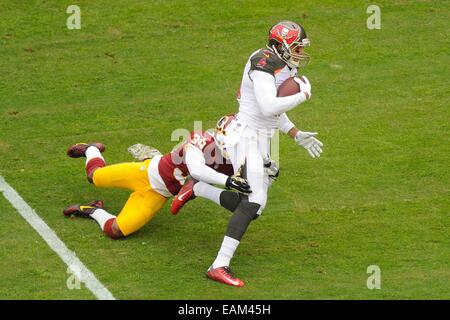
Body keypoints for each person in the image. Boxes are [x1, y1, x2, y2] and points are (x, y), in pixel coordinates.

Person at [172, 21, 324, 287]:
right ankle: (218, 265)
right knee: (254, 199)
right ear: (281, 45)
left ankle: (197, 189)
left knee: (254, 209)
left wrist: (295, 134)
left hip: (261, 139)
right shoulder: (263, 63)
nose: (299, 50)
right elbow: (267, 107)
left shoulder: (282, 63)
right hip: (245, 136)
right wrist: (302, 95)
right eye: (296, 45)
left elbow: (274, 113)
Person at [63, 130, 251, 239]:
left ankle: (92, 210)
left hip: (158, 194)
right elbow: (195, 170)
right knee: (94, 176)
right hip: (145, 173)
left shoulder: (232, 161)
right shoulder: (201, 141)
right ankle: (92, 149)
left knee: (116, 231)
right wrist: (227, 180)